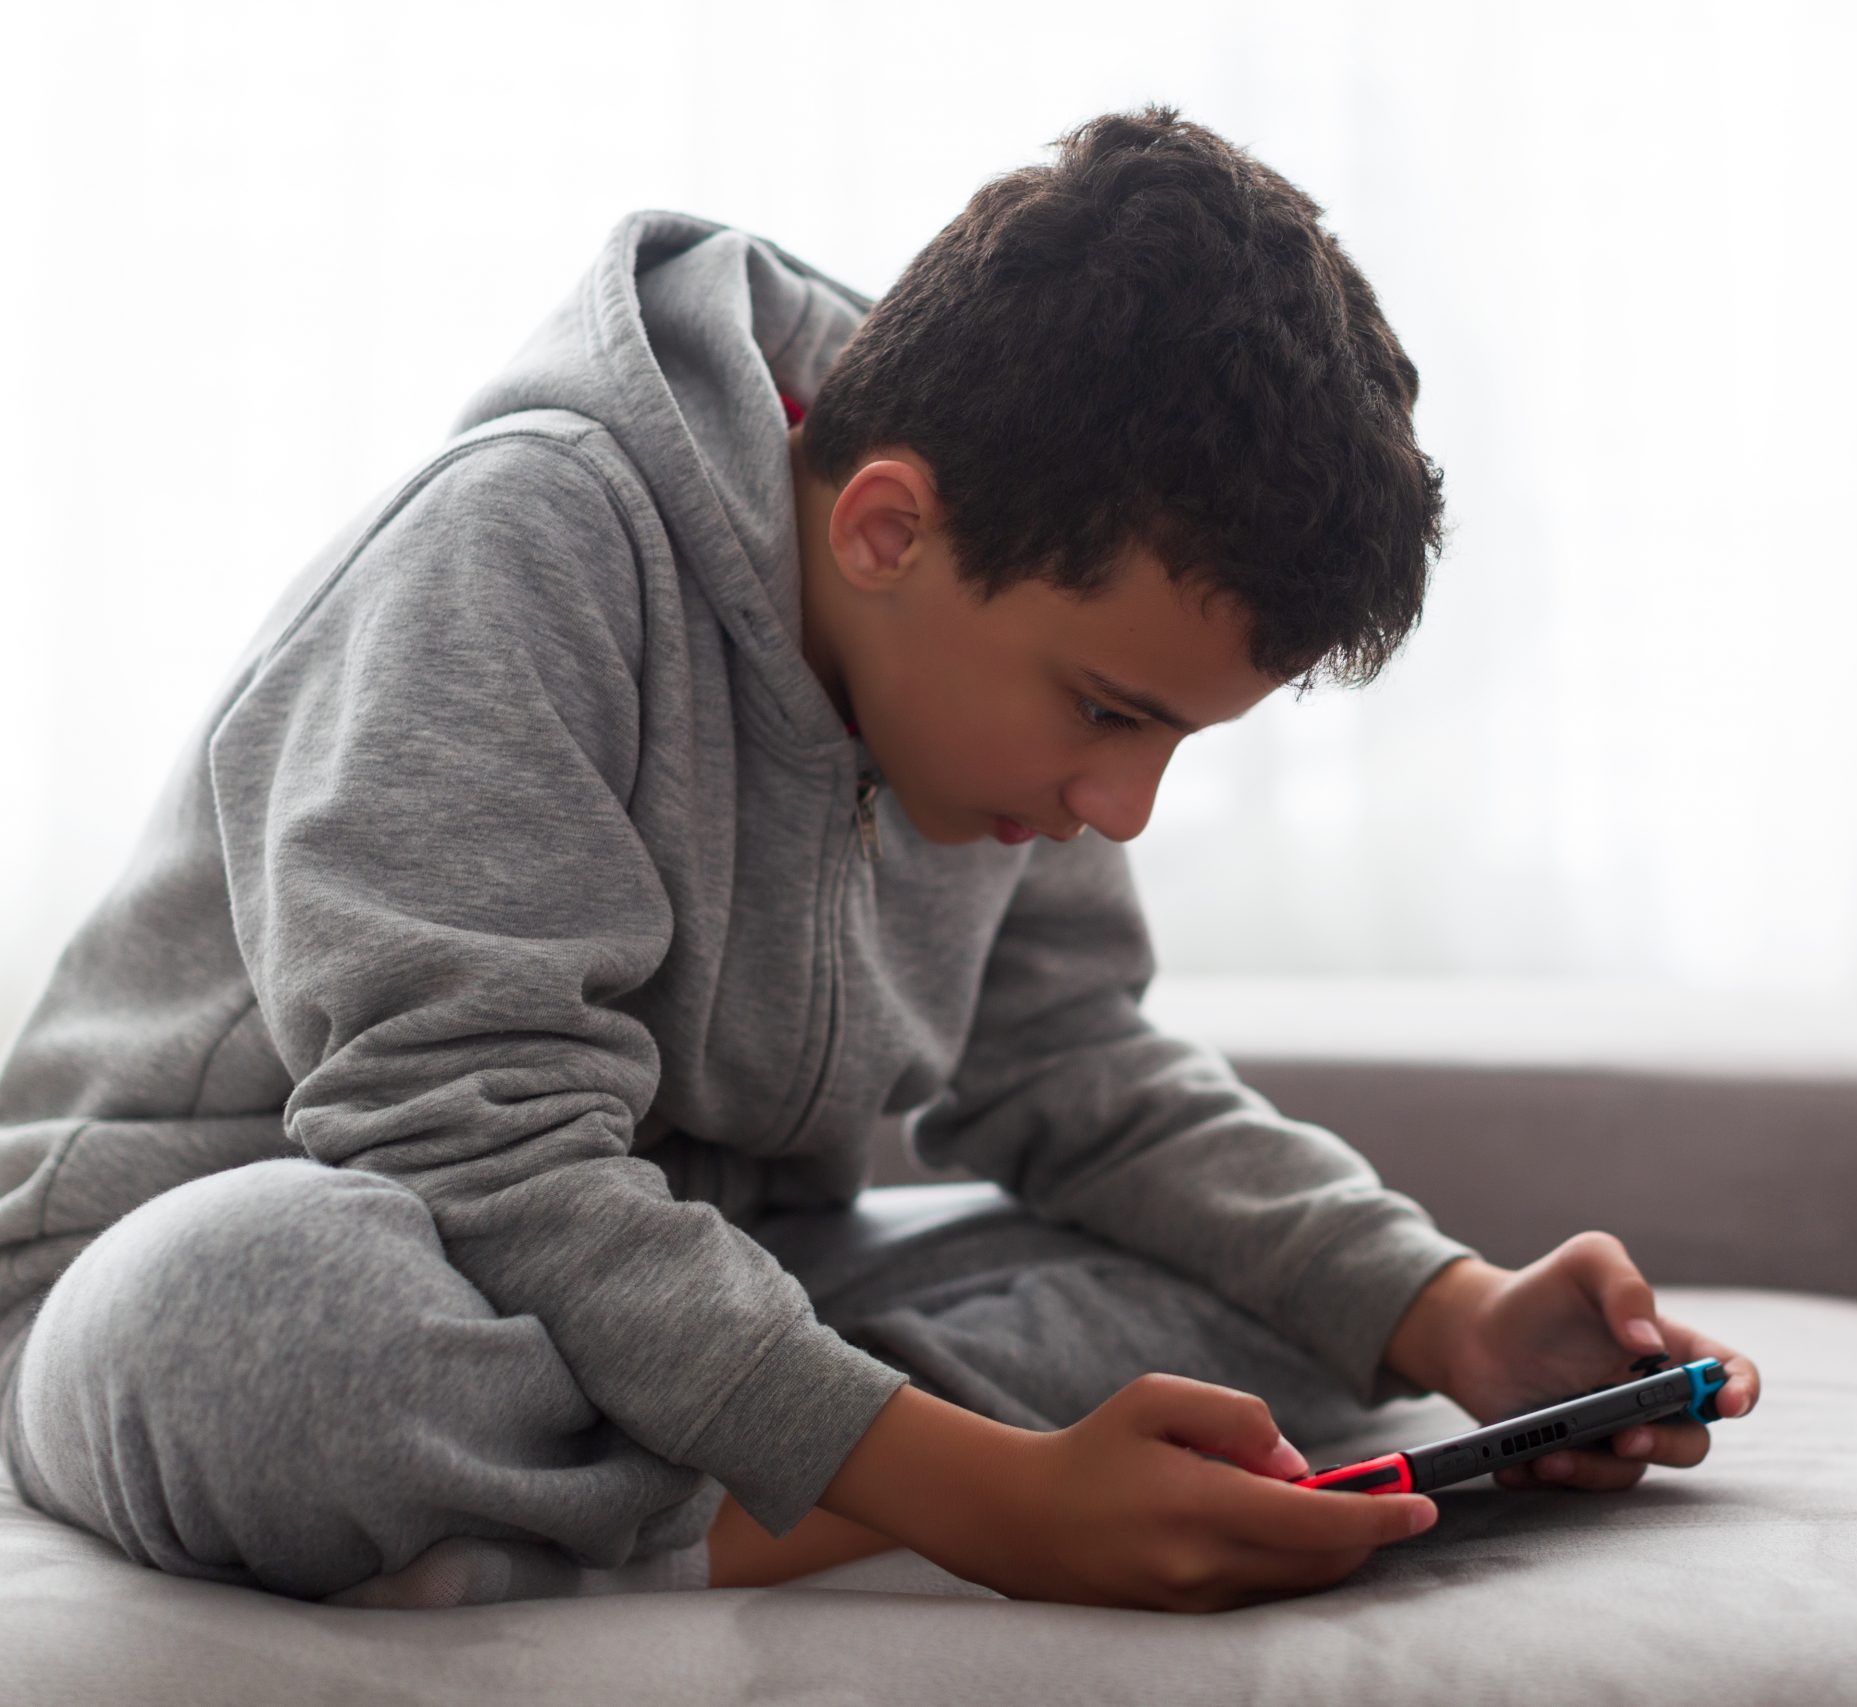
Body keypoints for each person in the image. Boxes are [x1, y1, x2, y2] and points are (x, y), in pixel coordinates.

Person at [0, 105, 1759, 1616]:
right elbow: (480, 1143)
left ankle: (713, 1497)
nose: (1121, 807)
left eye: (1174, 743)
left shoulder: (991, 691)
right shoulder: (527, 539)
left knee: (1275, 1320)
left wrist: (1451, 1318)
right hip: (277, 1241)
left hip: (687, 1271)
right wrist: (1003, 1513)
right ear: (886, 525)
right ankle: (872, 1488)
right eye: (1107, 712)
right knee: (254, 1329)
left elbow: (1081, 1072)